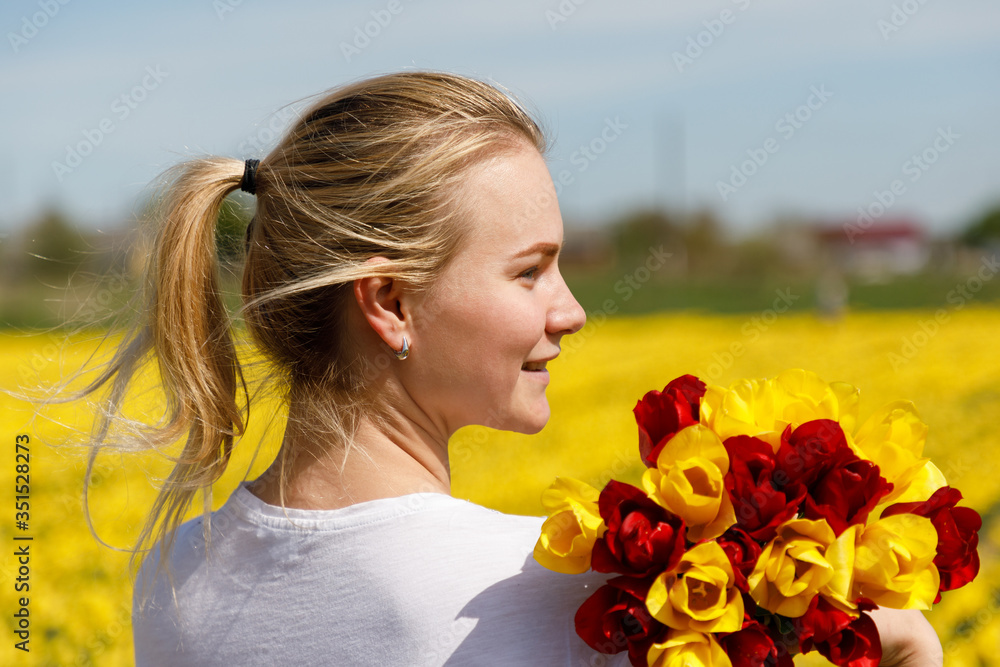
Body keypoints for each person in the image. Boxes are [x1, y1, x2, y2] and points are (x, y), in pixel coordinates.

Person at [72, 70, 941, 665]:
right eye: (529, 271)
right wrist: (903, 643)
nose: (571, 309)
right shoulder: (557, 593)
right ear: (390, 304)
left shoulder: (176, 572)